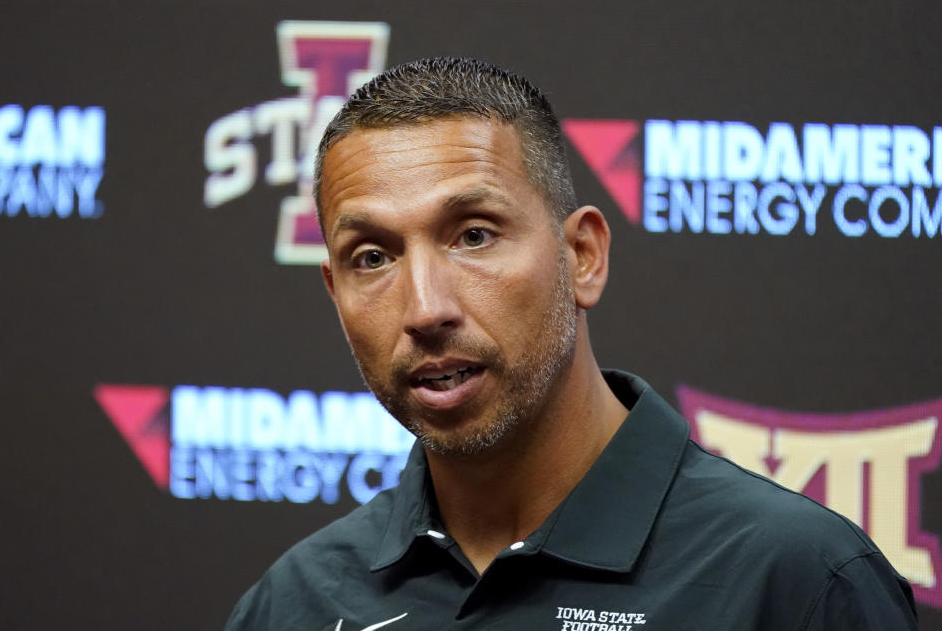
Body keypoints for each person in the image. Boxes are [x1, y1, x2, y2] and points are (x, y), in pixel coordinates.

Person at [225, 57, 918, 630]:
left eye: (474, 235)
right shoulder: (292, 605)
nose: (425, 308)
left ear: (582, 255)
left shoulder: (797, 584)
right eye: (372, 256)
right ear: (334, 293)